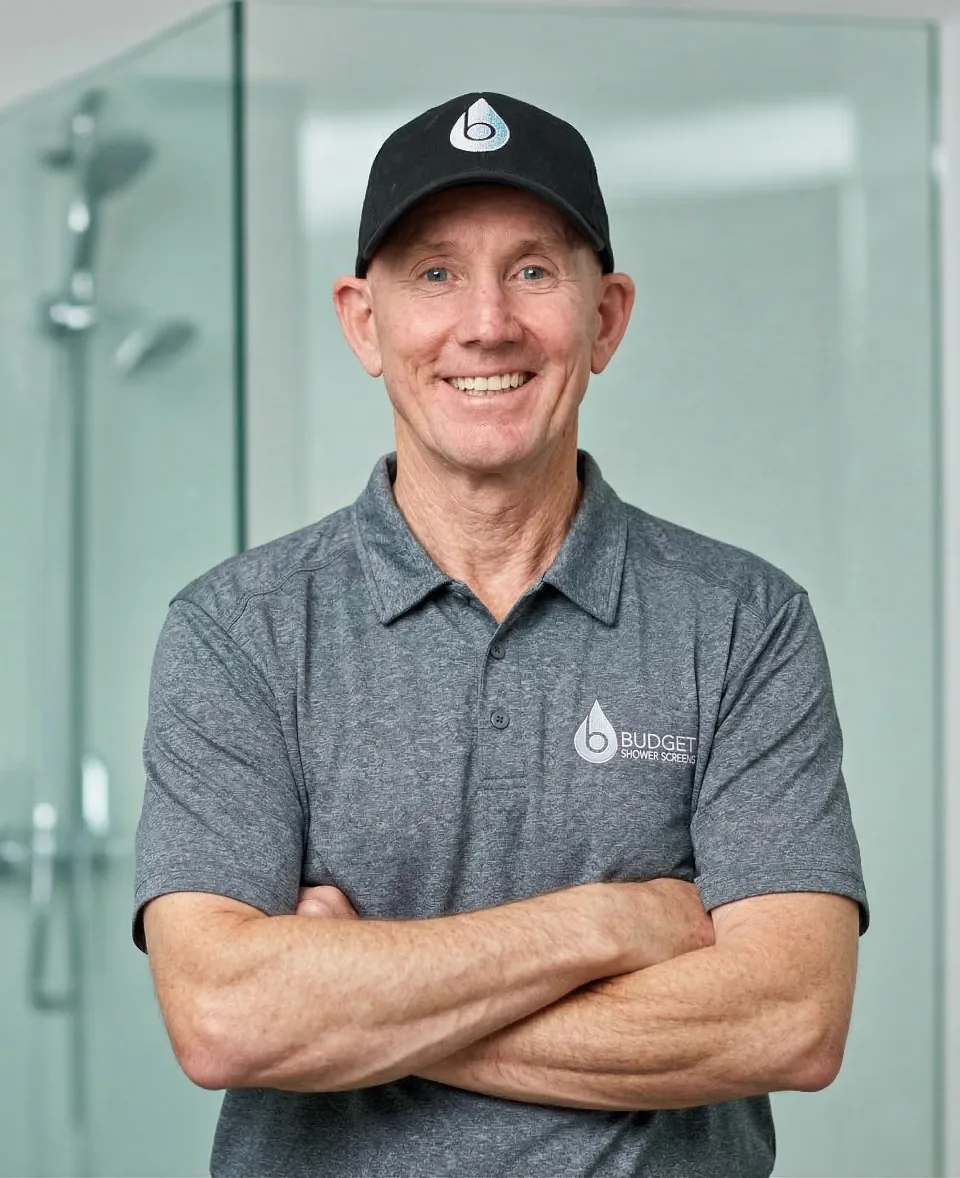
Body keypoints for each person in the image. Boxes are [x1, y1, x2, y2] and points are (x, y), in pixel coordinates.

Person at [133, 92, 869, 1178]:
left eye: (532, 270)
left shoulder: (743, 623)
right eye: (435, 273)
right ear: (363, 322)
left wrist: (353, 1000)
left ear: (606, 316)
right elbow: (226, 1017)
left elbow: (790, 1019)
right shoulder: (237, 632)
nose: (487, 322)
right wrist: (608, 925)